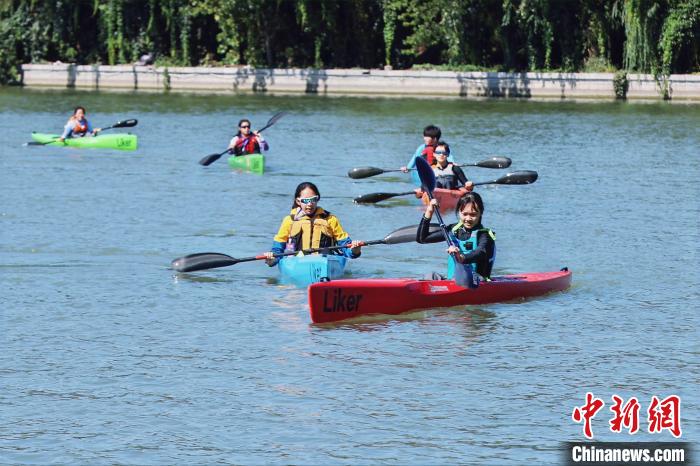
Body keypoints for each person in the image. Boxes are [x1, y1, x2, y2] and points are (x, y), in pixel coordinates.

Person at [264, 182, 363, 266]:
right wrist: (271, 260)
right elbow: (277, 250)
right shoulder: (289, 221)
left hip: (325, 263)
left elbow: (346, 247)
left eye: (313, 200)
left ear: (318, 199)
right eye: (306, 201)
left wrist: (355, 249)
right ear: (298, 201)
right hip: (297, 263)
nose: (310, 204)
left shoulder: (330, 219)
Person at [417, 192, 496, 280]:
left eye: (473, 214)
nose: (468, 219)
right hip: (453, 282)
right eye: (465, 214)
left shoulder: (484, 235)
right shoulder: (453, 230)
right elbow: (422, 238)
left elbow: (480, 252)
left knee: (465, 277)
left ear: (480, 213)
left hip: (477, 282)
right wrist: (429, 211)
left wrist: (462, 257)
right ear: (459, 212)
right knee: (430, 276)